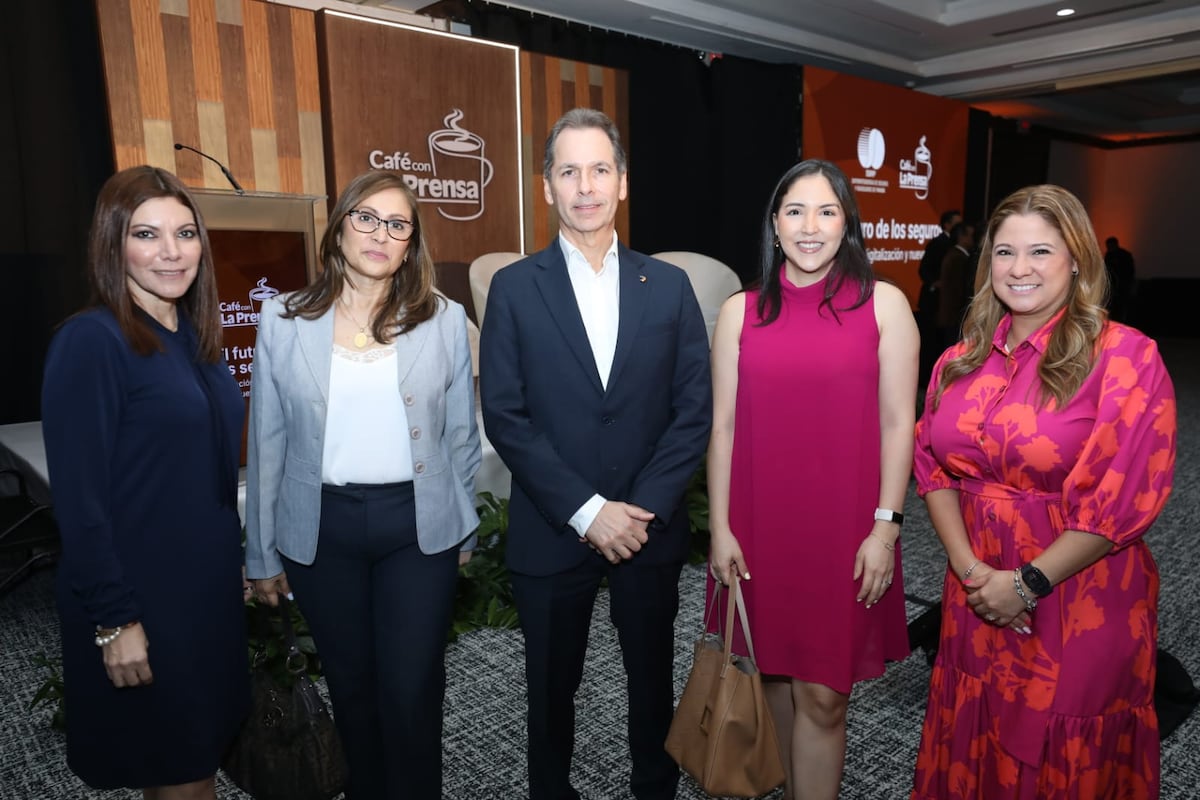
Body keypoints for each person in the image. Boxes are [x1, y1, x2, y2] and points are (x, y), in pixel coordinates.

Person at [911, 185, 1177, 799]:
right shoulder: (960, 359)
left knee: (1062, 755)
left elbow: (1123, 498)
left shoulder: (1125, 357)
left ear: (1077, 259)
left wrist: (1026, 583)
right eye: (1005, 252)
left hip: (1076, 598)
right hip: (976, 593)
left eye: (1040, 251)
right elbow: (934, 469)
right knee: (974, 735)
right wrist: (973, 573)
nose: (1019, 268)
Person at [479, 108, 711, 800]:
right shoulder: (515, 288)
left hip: (647, 528)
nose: (586, 186)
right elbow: (506, 416)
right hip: (554, 528)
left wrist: (639, 508)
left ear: (623, 182)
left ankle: (654, 790)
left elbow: (693, 410)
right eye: (569, 171)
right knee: (551, 691)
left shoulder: (667, 286)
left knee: (652, 684)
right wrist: (587, 511)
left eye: (600, 169)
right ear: (547, 185)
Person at [244, 170, 481, 799]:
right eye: (367, 218)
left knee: (411, 689)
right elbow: (267, 443)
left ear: (411, 244)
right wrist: (261, 555)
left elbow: (461, 436)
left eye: (397, 224)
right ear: (340, 227)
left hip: (417, 530)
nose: (380, 234)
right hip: (323, 530)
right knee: (351, 690)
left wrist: (462, 531)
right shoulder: (283, 318)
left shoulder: (445, 319)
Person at [707, 159, 918, 800]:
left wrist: (885, 530)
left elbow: (899, 426)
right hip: (760, 530)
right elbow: (722, 429)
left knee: (825, 699)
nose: (809, 226)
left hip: (845, 534)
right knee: (771, 680)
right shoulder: (740, 311)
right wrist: (720, 529)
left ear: (846, 224)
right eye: (795, 211)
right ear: (774, 224)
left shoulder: (884, 305)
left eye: (826, 212)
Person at [41, 165, 249, 799]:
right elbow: (80, 503)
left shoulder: (193, 338)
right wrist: (114, 620)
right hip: (144, 599)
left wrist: (233, 561)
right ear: (113, 243)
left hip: (205, 592)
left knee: (192, 762)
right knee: (183, 771)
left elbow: (202, 473)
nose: (171, 252)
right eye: (146, 234)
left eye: (185, 234)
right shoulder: (92, 341)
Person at [918, 209, 962, 390]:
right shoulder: (938, 243)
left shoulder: (954, 245)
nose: (960, 227)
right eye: (956, 223)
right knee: (931, 343)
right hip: (933, 301)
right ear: (947, 224)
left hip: (944, 304)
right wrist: (936, 283)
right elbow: (924, 270)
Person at [936, 220, 975, 348]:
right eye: (971, 235)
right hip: (954, 316)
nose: (973, 239)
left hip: (952, 316)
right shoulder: (958, 258)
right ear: (962, 237)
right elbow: (958, 290)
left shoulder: (956, 255)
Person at [1104, 235, 1136, 323]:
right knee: (1114, 307)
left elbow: (1129, 271)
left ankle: (1121, 322)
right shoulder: (1109, 255)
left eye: (1110, 246)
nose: (1109, 248)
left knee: (1122, 306)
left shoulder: (1124, 255)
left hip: (1123, 285)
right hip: (1113, 286)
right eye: (1108, 246)